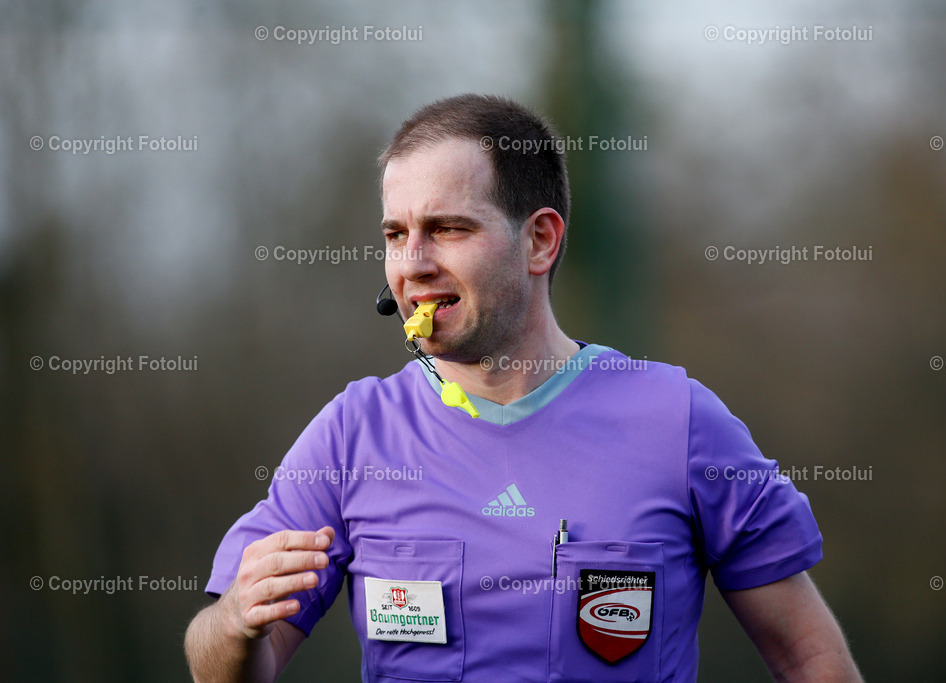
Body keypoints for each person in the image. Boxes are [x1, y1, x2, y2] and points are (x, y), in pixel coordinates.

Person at [185, 93, 862, 682]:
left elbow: (809, 659)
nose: (414, 263)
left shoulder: (678, 421)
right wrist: (237, 620)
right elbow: (216, 660)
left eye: (448, 228)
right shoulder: (352, 433)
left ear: (539, 241)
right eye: (397, 233)